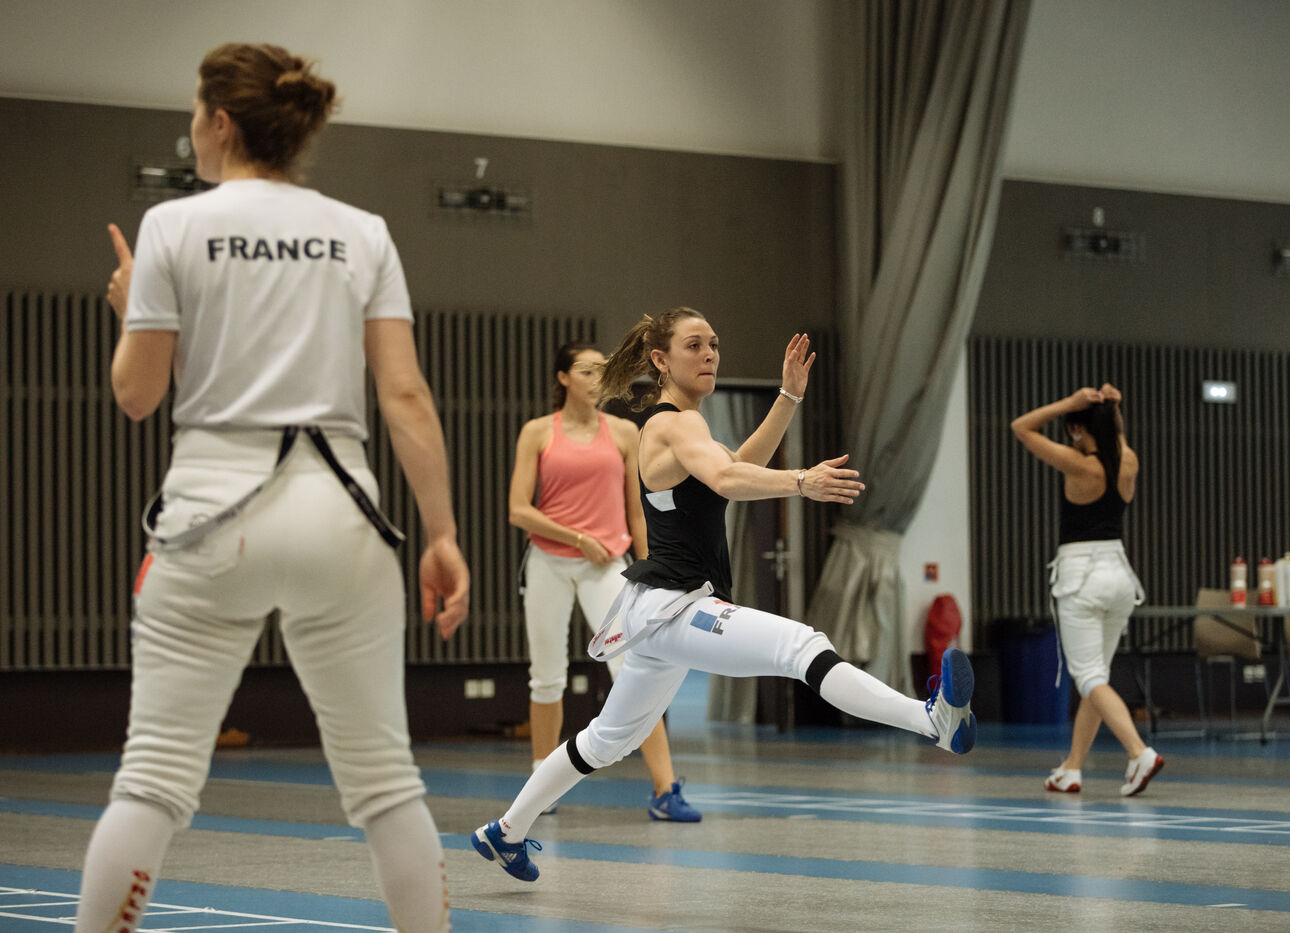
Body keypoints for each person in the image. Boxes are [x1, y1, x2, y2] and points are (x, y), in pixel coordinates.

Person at [77, 43, 468, 933]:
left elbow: (136, 395)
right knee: (387, 784)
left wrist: (134, 309)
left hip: (210, 520)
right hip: (344, 516)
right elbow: (405, 396)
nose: (191, 128)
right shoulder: (363, 231)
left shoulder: (173, 227)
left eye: (193, 113)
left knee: (151, 781)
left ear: (220, 122)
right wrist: (442, 533)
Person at [472, 307, 976, 883]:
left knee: (605, 741)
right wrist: (802, 481)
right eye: (694, 345)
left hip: (654, 612)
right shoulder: (675, 425)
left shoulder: (678, 427)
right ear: (661, 360)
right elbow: (730, 480)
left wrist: (787, 397)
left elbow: (734, 466)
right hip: (676, 608)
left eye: (713, 343)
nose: (710, 353)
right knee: (801, 646)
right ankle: (932, 721)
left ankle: (505, 831)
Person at [507, 341, 699, 821]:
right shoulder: (537, 432)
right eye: (586, 371)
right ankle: (541, 786)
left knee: (638, 671)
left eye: (602, 371)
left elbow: (637, 510)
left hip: (607, 564)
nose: (597, 379)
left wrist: (653, 571)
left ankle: (665, 790)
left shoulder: (624, 433)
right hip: (549, 563)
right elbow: (519, 510)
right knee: (547, 677)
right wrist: (576, 537)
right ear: (563, 378)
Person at [1010, 384, 1163, 797]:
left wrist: (1070, 403)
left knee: (1090, 677)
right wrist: (1114, 406)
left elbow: (1021, 427)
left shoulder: (1078, 465)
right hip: (1120, 575)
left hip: (1082, 578)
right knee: (1097, 679)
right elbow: (1116, 435)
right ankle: (1072, 767)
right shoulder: (1128, 460)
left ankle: (1139, 752)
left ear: (1077, 429)